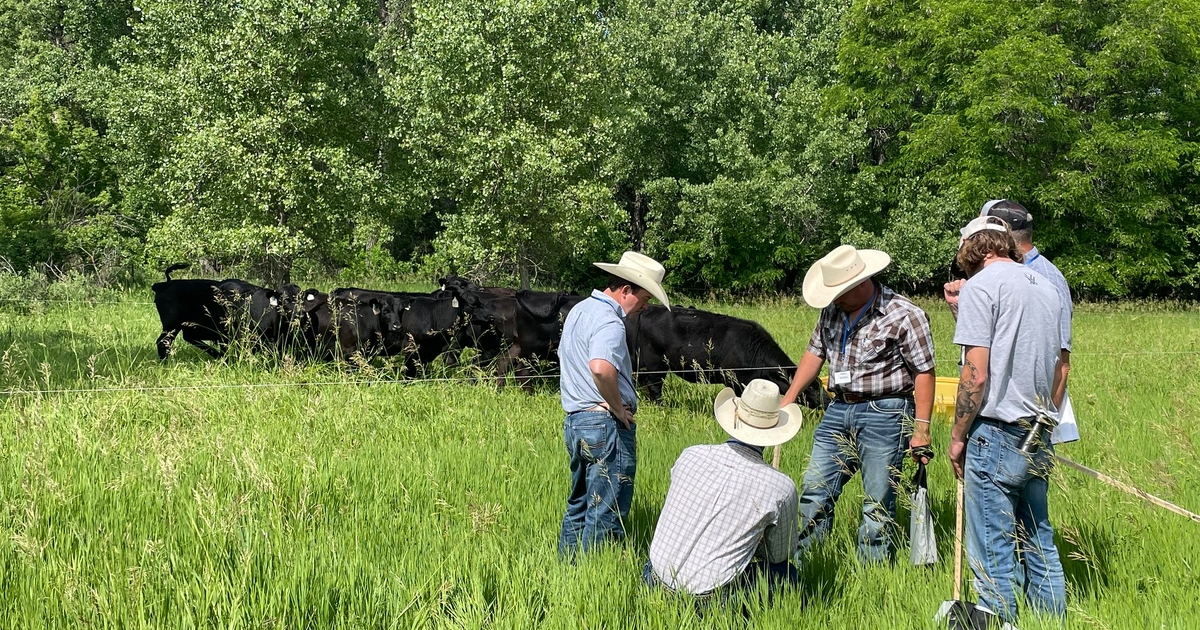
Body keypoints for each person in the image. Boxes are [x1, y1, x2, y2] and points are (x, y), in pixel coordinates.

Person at [781, 245, 936, 563]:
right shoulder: (832, 311)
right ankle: (806, 565)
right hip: (838, 408)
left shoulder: (905, 314)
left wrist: (921, 429)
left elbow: (924, 372)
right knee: (814, 489)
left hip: (887, 411)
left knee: (877, 501)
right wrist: (789, 398)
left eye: (838, 292)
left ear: (859, 283)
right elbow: (815, 353)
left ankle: (874, 571)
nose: (834, 298)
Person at [949, 215, 1070, 624]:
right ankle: (1052, 619)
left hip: (996, 432)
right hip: (1038, 430)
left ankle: (1002, 620)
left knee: (993, 544)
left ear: (973, 248)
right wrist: (1047, 420)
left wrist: (957, 436)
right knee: (1039, 536)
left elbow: (976, 374)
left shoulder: (981, 288)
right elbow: (1060, 370)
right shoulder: (1048, 287)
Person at [556, 251, 670, 558]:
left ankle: (568, 571)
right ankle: (594, 577)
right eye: (646, 298)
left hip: (576, 420)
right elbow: (600, 367)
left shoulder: (580, 310)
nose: (647, 306)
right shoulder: (610, 320)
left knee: (579, 503)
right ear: (627, 290)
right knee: (606, 511)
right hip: (604, 425)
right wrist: (618, 409)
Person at [645, 379, 801, 597]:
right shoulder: (780, 487)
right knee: (786, 573)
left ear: (735, 416)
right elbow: (778, 555)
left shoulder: (691, 455)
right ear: (774, 430)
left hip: (653, 578)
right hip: (708, 598)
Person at [944, 199, 1074, 440]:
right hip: (1029, 424)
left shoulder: (1045, 279)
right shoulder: (1042, 283)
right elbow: (1001, 344)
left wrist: (1043, 430)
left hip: (1003, 426)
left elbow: (1061, 365)